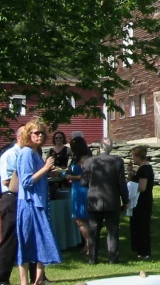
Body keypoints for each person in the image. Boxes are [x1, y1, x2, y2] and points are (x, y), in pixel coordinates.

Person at [16, 118, 61, 285]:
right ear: (29, 135)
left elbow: (37, 178)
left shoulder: (36, 153)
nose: (40, 135)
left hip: (39, 203)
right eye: (36, 133)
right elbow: (26, 182)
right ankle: (24, 282)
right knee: (27, 243)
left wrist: (49, 173)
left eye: (42, 132)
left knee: (43, 240)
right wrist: (45, 168)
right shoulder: (27, 153)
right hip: (29, 204)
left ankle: (39, 280)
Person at [81, 138, 129, 265]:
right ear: (110, 148)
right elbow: (121, 184)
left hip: (94, 199)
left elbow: (83, 182)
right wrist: (126, 200)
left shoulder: (88, 162)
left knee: (93, 230)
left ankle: (92, 258)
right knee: (112, 230)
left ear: (99, 148)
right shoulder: (117, 162)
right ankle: (113, 258)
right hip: (111, 199)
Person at [0, 126, 37, 285]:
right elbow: (7, 181)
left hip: (27, 199)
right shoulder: (10, 155)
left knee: (32, 237)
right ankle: (2, 277)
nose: (30, 137)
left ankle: (36, 276)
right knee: (10, 239)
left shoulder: (30, 153)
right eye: (27, 135)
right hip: (11, 199)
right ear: (19, 137)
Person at [66, 136, 92, 255]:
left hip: (82, 189)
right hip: (75, 189)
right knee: (80, 218)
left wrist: (72, 177)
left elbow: (87, 176)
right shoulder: (75, 158)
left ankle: (89, 243)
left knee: (80, 218)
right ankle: (87, 244)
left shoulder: (85, 158)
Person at [127, 146, 154, 260]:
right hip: (139, 200)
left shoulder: (144, 169)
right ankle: (139, 250)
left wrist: (129, 186)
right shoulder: (141, 168)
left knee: (142, 225)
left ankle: (144, 252)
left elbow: (142, 187)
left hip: (142, 201)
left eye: (133, 156)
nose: (132, 158)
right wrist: (130, 173)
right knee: (137, 225)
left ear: (138, 156)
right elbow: (132, 180)